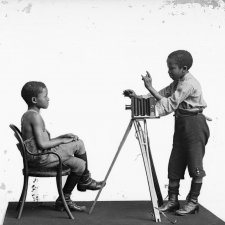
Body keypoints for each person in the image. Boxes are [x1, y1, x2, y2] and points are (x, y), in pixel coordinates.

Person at [124, 50, 210, 216]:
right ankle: (172, 200)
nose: (169, 71)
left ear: (184, 68)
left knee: (195, 165)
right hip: (182, 124)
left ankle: (193, 202)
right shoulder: (178, 81)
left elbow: (168, 105)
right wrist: (137, 97)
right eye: (168, 68)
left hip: (195, 125)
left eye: (172, 68)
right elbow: (161, 95)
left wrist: (149, 86)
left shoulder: (188, 84)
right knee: (175, 163)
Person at [20, 81, 105, 212]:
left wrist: (63, 137)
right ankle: (85, 180)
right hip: (42, 158)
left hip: (41, 156)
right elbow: (43, 144)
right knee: (79, 143)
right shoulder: (34, 116)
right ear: (34, 99)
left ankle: (63, 200)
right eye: (45, 96)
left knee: (80, 165)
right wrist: (62, 140)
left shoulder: (29, 115)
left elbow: (40, 142)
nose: (48, 98)